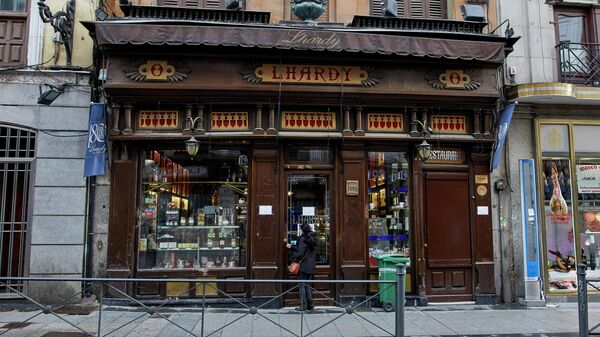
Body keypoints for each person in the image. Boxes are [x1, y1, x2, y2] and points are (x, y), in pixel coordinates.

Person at [287, 223, 317, 311]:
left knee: (301, 285)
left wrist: (293, 253)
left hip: (304, 266)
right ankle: (310, 305)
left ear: (302, 230)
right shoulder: (312, 238)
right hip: (311, 266)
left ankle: (303, 305)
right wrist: (292, 247)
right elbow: (306, 251)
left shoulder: (303, 239)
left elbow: (300, 254)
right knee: (308, 285)